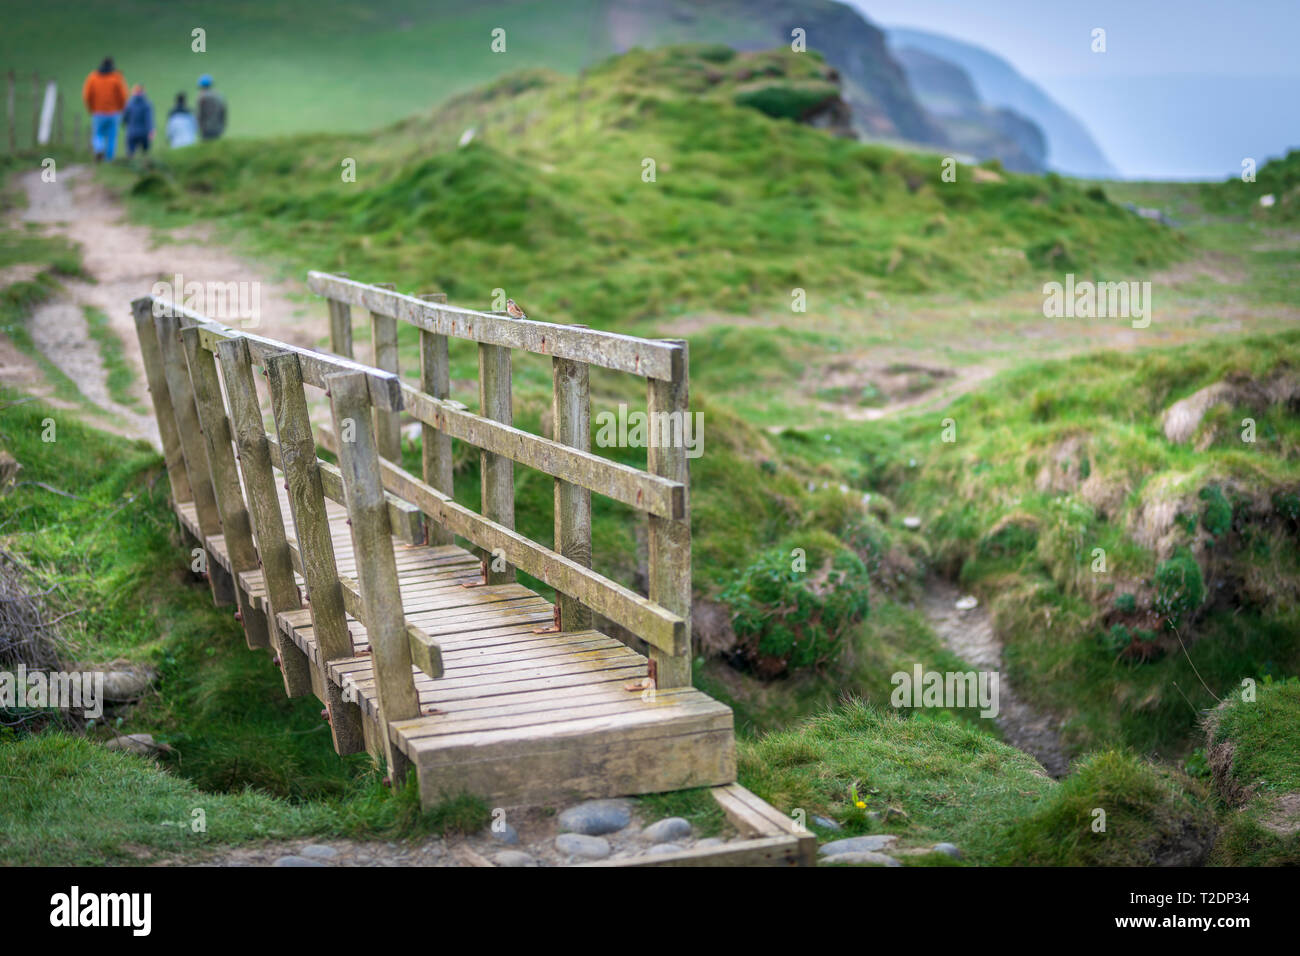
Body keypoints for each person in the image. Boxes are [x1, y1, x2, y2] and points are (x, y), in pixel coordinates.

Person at [82, 57, 128, 161]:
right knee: (112, 137)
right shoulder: (116, 77)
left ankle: (99, 149)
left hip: (98, 112)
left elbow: (87, 95)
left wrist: (91, 108)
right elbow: (124, 96)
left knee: (98, 134)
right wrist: (121, 108)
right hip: (113, 113)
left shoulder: (93, 77)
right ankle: (109, 159)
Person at [122, 84, 154, 157]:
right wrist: (151, 130)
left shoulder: (129, 104)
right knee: (145, 153)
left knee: (130, 153)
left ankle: (130, 165)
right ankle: (144, 164)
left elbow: (125, 118)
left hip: (131, 132)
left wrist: (125, 124)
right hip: (144, 133)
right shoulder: (147, 104)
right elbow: (149, 119)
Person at [196, 74, 227, 141]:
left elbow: (200, 114)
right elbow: (223, 111)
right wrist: (223, 125)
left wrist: (199, 126)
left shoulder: (201, 97)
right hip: (217, 127)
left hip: (206, 128)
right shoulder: (218, 96)